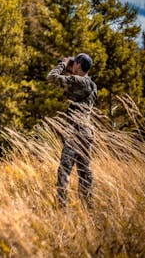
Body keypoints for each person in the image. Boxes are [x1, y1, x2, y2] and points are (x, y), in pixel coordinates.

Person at [47, 53, 97, 208]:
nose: (72, 64)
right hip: (87, 133)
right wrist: (70, 66)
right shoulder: (92, 85)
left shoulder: (77, 81)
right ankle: (87, 206)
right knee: (84, 172)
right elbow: (75, 81)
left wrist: (63, 64)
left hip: (75, 134)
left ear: (79, 64)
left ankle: (62, 207)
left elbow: (52, 77)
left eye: (75, 62)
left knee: (64, 171)